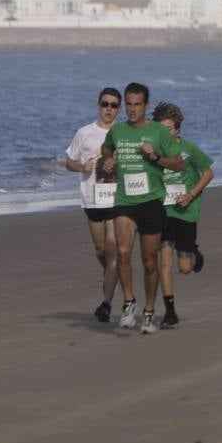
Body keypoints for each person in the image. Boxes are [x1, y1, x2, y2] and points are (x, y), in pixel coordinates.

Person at [100, 82, 184, 334]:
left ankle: (149, 310)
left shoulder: (159, 132)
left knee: (149, 262)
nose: (132, 109)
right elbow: (106, 147)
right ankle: (128, 303)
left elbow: (178, 164)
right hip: (124, 201)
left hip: (151, 202)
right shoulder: (118, 131)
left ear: (146, 106)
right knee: (123, 253)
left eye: (137, 104)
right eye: (129, 104)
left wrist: (155, 158)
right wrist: (107, 159)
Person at [153, 102, 214, 329]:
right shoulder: (154, 153)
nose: (164, 133)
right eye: (160, 128)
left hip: (186, 211)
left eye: (168, 128)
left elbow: (208, 172)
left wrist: (191, 194)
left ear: (177, 129)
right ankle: (170, 311)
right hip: (163, 211)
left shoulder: (188, 149)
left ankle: (194, 253)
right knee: (164, 260)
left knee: (185, 268)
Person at [64, 87, 122, 322]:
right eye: (105, 104)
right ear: (98, 105)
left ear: (119, 109)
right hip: (92, 198)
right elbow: (69, 161)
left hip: (118, 199)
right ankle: (113, 275)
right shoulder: (85, 133)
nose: (108, 108)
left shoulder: (123, 133)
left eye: (114, 105)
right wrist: (82, 167)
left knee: (112, 250)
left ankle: (106, 303)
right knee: (102, 252)